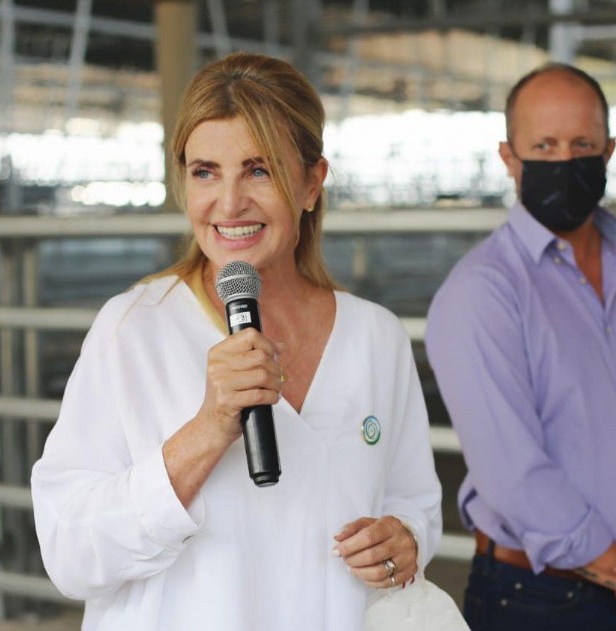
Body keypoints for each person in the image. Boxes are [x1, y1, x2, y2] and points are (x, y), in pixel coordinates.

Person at [30, 52, 443, 631]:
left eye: (259, 169)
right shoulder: (134, 330)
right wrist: (207, 428)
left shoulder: (375, 337)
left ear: (310, 183)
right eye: (205, 172)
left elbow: (416, 503)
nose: (228, 204)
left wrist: (405, 539)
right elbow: (69, 552)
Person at [425, 63, 616, 631]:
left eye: (582, 144)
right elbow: (514, 474)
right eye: (543, 145)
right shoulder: (482, 292)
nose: (564, 161)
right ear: (509, 157)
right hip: (543, 600)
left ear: (608, 150)